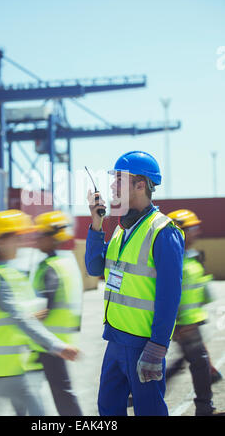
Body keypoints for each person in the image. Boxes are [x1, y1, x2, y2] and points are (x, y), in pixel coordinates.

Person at [85, 150, 185, 416]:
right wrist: (97, 223)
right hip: (115, 340)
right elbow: (95, 267)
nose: (112, 185)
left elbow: (170, 296)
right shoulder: (120, 230)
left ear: (140, 185)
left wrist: (158, 346)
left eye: (119, 179)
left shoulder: (163, 232)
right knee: (107, 409)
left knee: (149, 411)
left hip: (144, 345)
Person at [0, 209, 79, 416]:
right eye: (17, 237)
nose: (23, 242)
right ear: (2, 241)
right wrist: (57, 345)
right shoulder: (3, 277)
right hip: (10, 369)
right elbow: (20, 319)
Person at [167, 209, 223, 416]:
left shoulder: (188, 257)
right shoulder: (173, 260)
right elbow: (167, 296)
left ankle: (204, 407)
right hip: (185, 325)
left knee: (187, 363)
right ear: (180, 231)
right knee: (200, 366)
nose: (197, 232)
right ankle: (204, 408)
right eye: (193, 228)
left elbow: (197, 290)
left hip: (192, 322)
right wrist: (176, 325)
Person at [32, 210, 83, 416]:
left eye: (40, 235)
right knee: (57, 390)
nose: (36, 239)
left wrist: (22, 322)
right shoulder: (66, 263)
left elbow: (46, 306)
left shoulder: (50, 268)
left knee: (60, 392)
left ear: (53, 237)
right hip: (57, 339)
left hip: (48, 342)